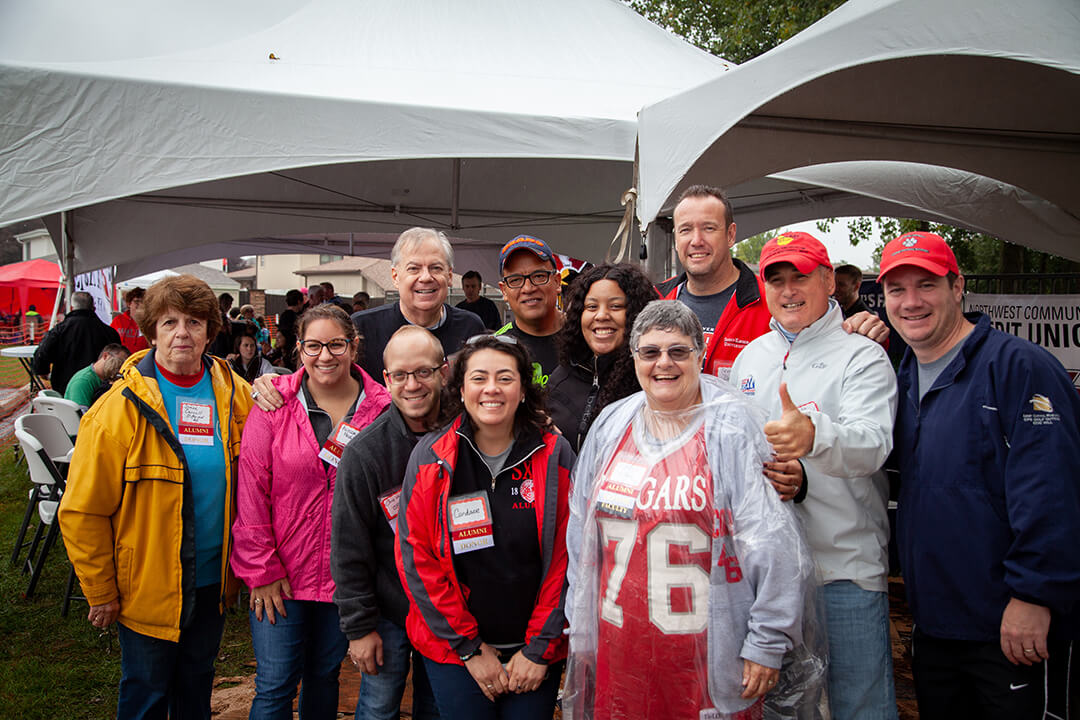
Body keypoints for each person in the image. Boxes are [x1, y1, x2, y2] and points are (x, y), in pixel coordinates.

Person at [563, 300, 823, 720]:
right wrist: (581, 626)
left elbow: (772, 545)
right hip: (621, 646)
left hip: (711, 652)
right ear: (634, 358)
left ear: (699, 354)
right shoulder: (612, 425)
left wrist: (766, 641)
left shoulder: (732, 426)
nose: (663, 363)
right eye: (650, 352)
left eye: (678, 351)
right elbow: (582, 537)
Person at [878, 231, 1080, 720]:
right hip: (936, 625)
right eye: (896, 290)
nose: (911, 302)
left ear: (957, 286)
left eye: (925, 285)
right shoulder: (900, 377)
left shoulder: (1018, 367)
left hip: (1012, 628)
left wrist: (1033, 595)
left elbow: (1054, 490)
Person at [57, 274, 253, 720]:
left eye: (194, 322)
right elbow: (83, 510)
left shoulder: (235, 394)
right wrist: (101, 590)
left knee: (196, 685)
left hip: (210, 581)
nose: (182, 333)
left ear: (210, 330)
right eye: (169, 322)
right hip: (146, 585)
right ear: (151, 332)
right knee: (146, 693)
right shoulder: (117, 410)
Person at [730, 232, 899, 720]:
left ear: (829, 281)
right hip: (765, 577)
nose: (788, 290)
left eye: (800, 277)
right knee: (783, 710)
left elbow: (873, 446)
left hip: (842, 571)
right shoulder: (751, 357)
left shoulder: (862, 354)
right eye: (776, 279)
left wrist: (812, 437)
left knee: (859, 707)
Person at [396, 334, 574, 719]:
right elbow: (416, 558)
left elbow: (568, 558)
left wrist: (539, 649)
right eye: (479, 378)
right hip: (455, 649)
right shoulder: (430, 456)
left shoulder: (554, 454)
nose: (491, 389)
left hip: (533, 651)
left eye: (505, 378)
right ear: (460, 389)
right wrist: (470, 649)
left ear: (524, 389)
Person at [232, 303, 390, 719]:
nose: (325, 356)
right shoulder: (273, 406)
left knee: (324, 676)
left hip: (346, 579)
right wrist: (261, 571)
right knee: (275, 685)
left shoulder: (382, 409)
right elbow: (250, 493)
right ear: (297, 349)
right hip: (281, 577)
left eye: (336, 344)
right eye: (313, 345)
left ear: (354, 347)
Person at [657, 185, 888, 381]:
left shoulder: (775, 300)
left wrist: (862, 328)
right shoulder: (654, 299)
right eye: (686, 230)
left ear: (730, 234)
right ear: (676, 237)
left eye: (709, 228)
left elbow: (829, 348)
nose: (696, 241)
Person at [332, 326, 447, 720]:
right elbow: (349, 549)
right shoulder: (365, 454)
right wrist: (359, 629)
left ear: (444, 372)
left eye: (423, 372)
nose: (412, 385)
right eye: (400, 375)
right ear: (386, 379)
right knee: (379, 709)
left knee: (438, 709)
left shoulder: (469, 436)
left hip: (449, 610)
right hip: (389, 611)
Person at [547, 263, 658, 452]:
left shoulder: (651, 382)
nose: (601, 315)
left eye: (615, 306)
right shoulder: (561, 378)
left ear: (638, 314)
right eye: (591, 306)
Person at [349, 227, 484, 381]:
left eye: (436, 268)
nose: (426, 277)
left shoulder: (470, 328)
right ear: (395, 276)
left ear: (450, 276)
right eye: (413, 269)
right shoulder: (363, 329)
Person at [495, 235, 563, 387]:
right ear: (504, 291)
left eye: (539, 276)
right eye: (515, 280)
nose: (528, 288)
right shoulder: (495, 348)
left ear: (557, 282)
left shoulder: (585, 336)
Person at [32, 290, 122, 394]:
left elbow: (42, 353)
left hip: (65, 389)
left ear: (71, 308)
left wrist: (43, 371)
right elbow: (118, 360)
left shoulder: (60, 330)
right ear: (93, 308)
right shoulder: (109, 332)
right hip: (99, 391)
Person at [64, 343, 130, 410]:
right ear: (105, 356)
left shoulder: (108, 379)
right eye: (119, 362)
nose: (121, 367)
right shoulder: (83, 381)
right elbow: (80, 415)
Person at [112, 287, 150, 353]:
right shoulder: (118, 320)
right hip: (121, 359)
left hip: (141, 360)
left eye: (143, 302)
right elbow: (111, 341)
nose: (140, 305)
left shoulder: (149, 322)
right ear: (129, 304)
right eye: (137, 301)